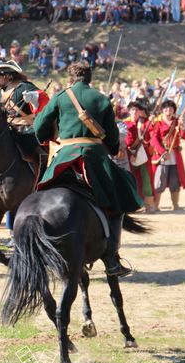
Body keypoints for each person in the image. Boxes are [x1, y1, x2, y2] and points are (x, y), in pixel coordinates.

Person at [32, 62, 142, 277]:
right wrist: (110, 147)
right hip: (93, 158)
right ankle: (112, 259)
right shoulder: (101, 99)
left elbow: (39, 128)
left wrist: (50, 138)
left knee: (39, 193)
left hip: (64, 157)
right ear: (90, 78)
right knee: (119, 191)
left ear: (70, 78)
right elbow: (111, 139)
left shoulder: (61, 96)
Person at [0, 60, 45, 156]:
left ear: (8, 76)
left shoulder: (24, 86)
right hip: (8, 130)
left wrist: (33, 97)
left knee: (32, 145)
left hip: (27, 129)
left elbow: (43, 98)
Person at [149, 99, 185, 210]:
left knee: (175, 181)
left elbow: (184, 136)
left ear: (174, 110)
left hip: (175, 156)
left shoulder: (177, 122)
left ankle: (175, 205)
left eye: (171, 108)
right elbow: (154, 140)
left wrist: (183, 125)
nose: (168, 110)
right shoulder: (158, 123)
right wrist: (162, 152)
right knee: (159, 182)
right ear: (162, 110)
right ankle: (155, 206)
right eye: (166, 108)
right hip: (162, 157)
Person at [123, 100, 157, 213]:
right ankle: (133, 205)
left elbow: (152, 134)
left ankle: (150, 205)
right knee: (131, 180)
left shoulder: (144, 122)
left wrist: (151, 122)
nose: (134, 112)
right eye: (132, 109)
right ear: (129, 111)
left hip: (142, 155)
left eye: (136, 110)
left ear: (139, 112)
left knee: (146, 180)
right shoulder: (124, 123)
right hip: (128, 156)